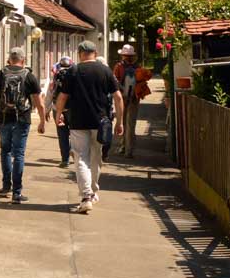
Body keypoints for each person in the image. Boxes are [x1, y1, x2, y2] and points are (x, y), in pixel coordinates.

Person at [55, 40, 123, 213]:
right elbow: (118, 97)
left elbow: (62, 97)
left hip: (78, 122)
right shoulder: (105, 70)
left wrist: (58, 114)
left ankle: (86, 196)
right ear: (95, 53)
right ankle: (92, 192)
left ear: (80, 54)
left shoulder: (73, 71)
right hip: (101, 122)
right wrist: (120, 122)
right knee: (96, 158)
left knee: (81, 158)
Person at [0, 47, 46, 203]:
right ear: (23, 60)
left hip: (4, 119)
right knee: (18, 154)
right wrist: (42, 121)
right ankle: (17, 193)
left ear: (9, 60)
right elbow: (39, 103)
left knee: (5, 151)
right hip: (22, 120)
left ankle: (6, 187)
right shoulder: (29, 76)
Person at [113, 44, 152, 157]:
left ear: (122, 55)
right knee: (131, 124)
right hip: (134, 98)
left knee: (122, 122)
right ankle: (129, 150)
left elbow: (114, 82)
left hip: (122, 98)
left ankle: (123, 146)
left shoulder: (119, 66)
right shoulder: (138, 67)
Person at [47, 56, 73, 167]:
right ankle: (73, 151)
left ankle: (65, 160)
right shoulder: (75, 76)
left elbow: (50, 94)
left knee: (62, 135)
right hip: (72, 110)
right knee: (75, 133)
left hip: (57, 110)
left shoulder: (55, 77)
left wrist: (47, 110)